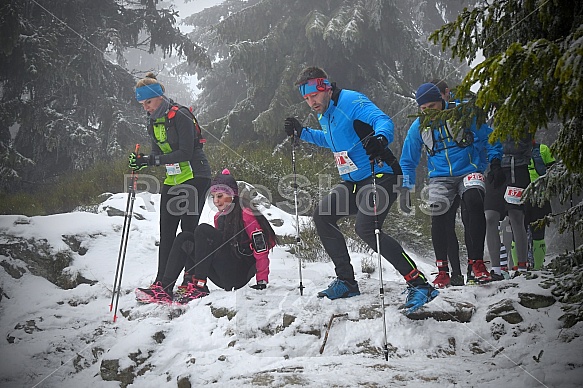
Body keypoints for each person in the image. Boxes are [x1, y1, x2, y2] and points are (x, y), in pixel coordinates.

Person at [284, 66, 438, 314]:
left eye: (314, 95)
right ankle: (346, 282)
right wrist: (303, 133)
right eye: (306, 98)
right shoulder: (324, 112)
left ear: (325, 87)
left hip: (382, 175)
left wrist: (380, 140)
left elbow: (383, 121)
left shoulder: (351, 101)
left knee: (366, 228)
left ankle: (420, 284)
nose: (311, 102)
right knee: (322, 215)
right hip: (353, 183)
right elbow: (332, 141)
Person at [400, 83, 504, 286]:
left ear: (442, 101)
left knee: (474, 201)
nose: (429, 111)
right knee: (438, 214)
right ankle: (443, 270)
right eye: (423, 109)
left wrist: (496, 162)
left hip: (469, 169)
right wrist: (406, 186)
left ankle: (477, 263)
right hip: (440, 177)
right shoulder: (418, 126)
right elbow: (408, 159)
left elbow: (488, 137)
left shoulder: (462, 114)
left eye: (432, 105)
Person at [136, 169, 277, 304]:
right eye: (213, 197)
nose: (216, 201)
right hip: (223, 273)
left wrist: (262, 281)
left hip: (239, 274)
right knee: (185, 237)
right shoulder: (219, 217)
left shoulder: (246, 214)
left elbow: (261, 248)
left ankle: (199, 286)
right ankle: (165, 288)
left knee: (202, 230)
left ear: (232, 194)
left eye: (220, 196)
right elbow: (214, 248)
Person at [130, 73, 212, 300]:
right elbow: (157, 153)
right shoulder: (153, 121)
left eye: (148, 102)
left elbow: (185, 152)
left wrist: (151, 160)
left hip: (196, 176)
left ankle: (191, 281)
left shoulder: (181, 115)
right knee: (166, 233)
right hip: (173, 179)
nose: (145, 107)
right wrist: (142, 161)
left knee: (187, 231)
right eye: (142, 104)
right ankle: (161, 284)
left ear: (159, 97)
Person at [428, 79, 465, 287]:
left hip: (466, 173)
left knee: (470, 219)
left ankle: (472, 265)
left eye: (437, 98)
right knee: (446, 223)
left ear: (446, 93)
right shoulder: (426, 122)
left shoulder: (460, 112)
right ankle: (453, 272)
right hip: (442, 177)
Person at [484, 129, 532, 280]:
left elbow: (525, 143)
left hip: (517, 170)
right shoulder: (487, 115)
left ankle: (522, 266)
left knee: (516, 216)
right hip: (494, 170)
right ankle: (496, 269)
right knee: (490, 216)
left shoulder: (521, 116)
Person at [514, 141, 555, 270]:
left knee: (537, 232)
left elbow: (553, 171)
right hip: (522, 196)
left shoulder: (543, 149)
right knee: (519, 231)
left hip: (538, 196)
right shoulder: (514, 150)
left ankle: (536, 267)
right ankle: (520, 266)